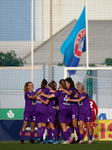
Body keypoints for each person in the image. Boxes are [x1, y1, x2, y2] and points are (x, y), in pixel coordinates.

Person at [40, 79, 72, 144]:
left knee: (62, 125)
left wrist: (43, 94)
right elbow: (70, 94)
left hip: (62, 109)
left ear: (60, 84)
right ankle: (70, 135)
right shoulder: (68, 91)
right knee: (65, 125)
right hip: (69, 109)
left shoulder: (58, 92)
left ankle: (66, 139)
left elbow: (49, 96)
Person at [58, 77, 80, 143]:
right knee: (68, 125)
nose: (65, 85)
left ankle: (80, 138)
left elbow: (74, 95)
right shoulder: (65, 90)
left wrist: (62, 89)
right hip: (69, 108)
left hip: (74, 108)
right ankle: (71, 138)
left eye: (66, 83)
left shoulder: (72, 89)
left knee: (75, 124)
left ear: (69, 84)